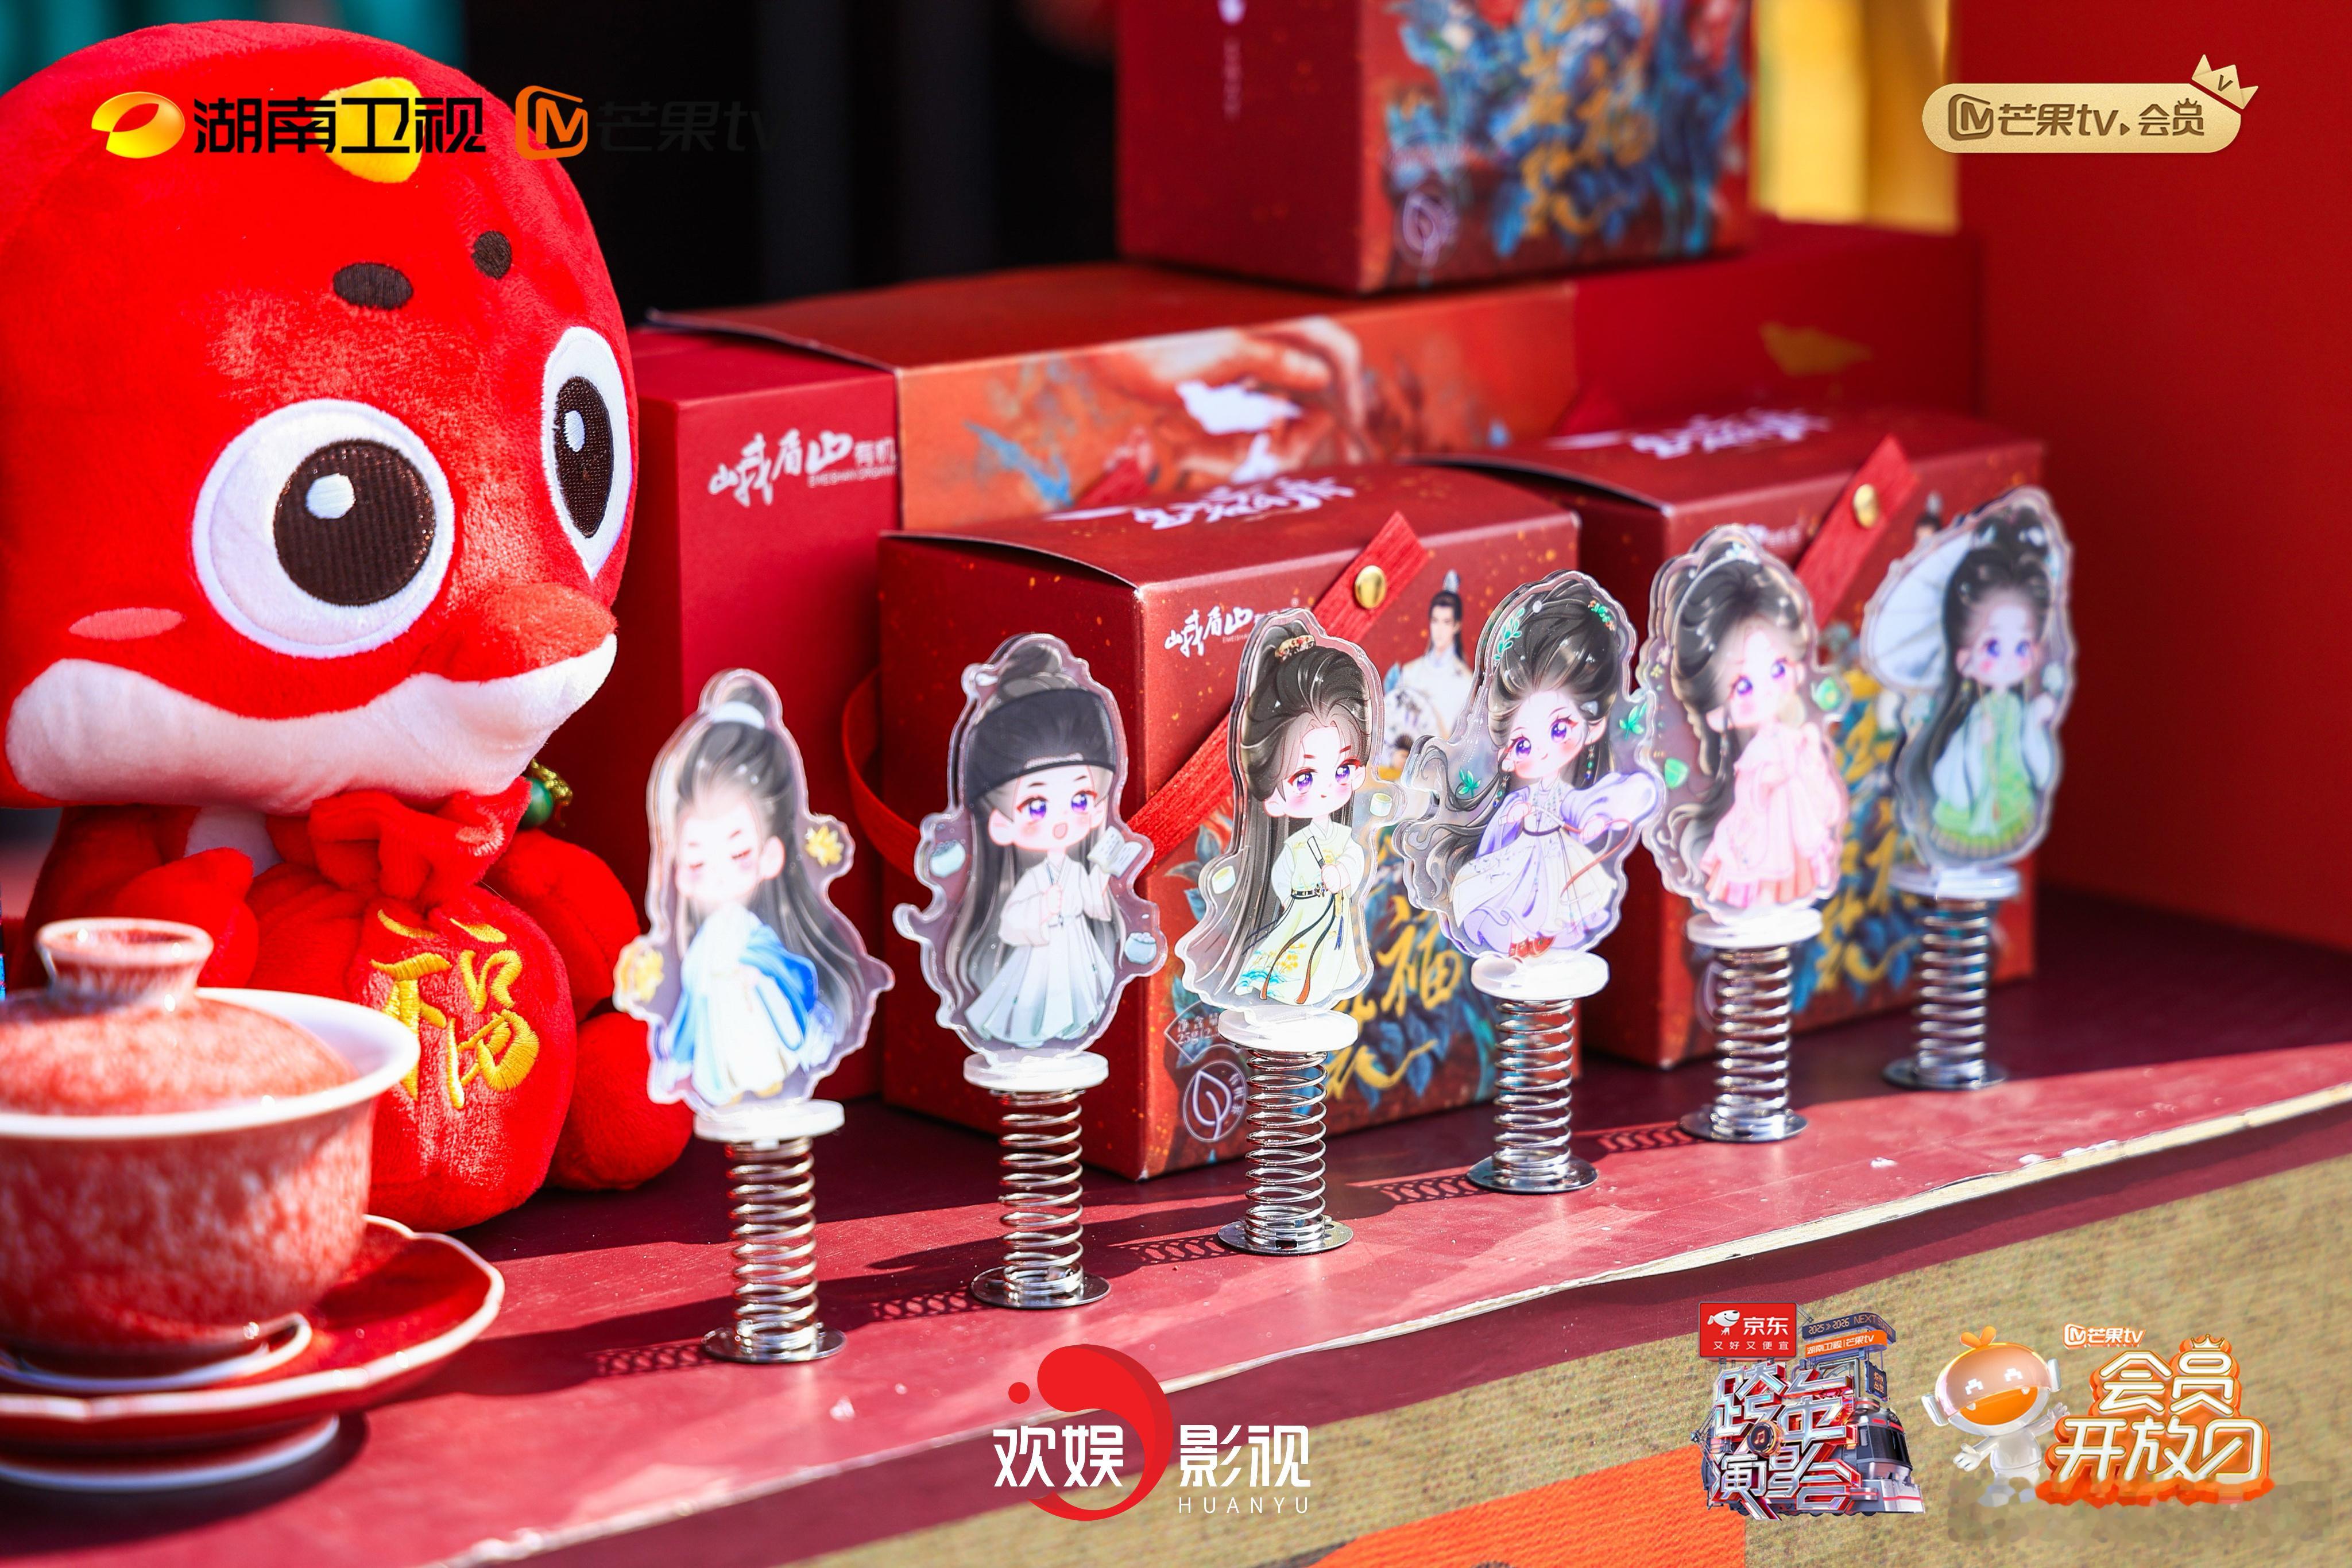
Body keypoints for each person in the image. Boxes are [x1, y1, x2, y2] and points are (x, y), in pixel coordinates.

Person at [1178, 609, 1382, 1011]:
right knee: (1289, 959)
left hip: (1332, 911)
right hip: (1300, 910)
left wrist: (1343, 873)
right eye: (1304, 777)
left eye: (1343, 769)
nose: (1327, 787)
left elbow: (1355, 859)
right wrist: (1295, 898)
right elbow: (1282, 881)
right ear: (1272, 795)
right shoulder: (1293, 846)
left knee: (1327, 963)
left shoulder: (1340, 837)